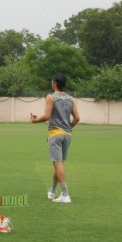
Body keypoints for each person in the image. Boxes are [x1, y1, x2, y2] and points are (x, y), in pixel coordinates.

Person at [30, 74, 80, 203]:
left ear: (55, 83)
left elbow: (46, 116)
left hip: (55, 134)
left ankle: (65, 194)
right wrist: (68, 127)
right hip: (67, 135)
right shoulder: (71, 98)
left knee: (57, 163)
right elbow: (77, 118)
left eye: (52, 81)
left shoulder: (51, 97)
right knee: (59, 164)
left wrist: (35, 121)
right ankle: (52, 191)